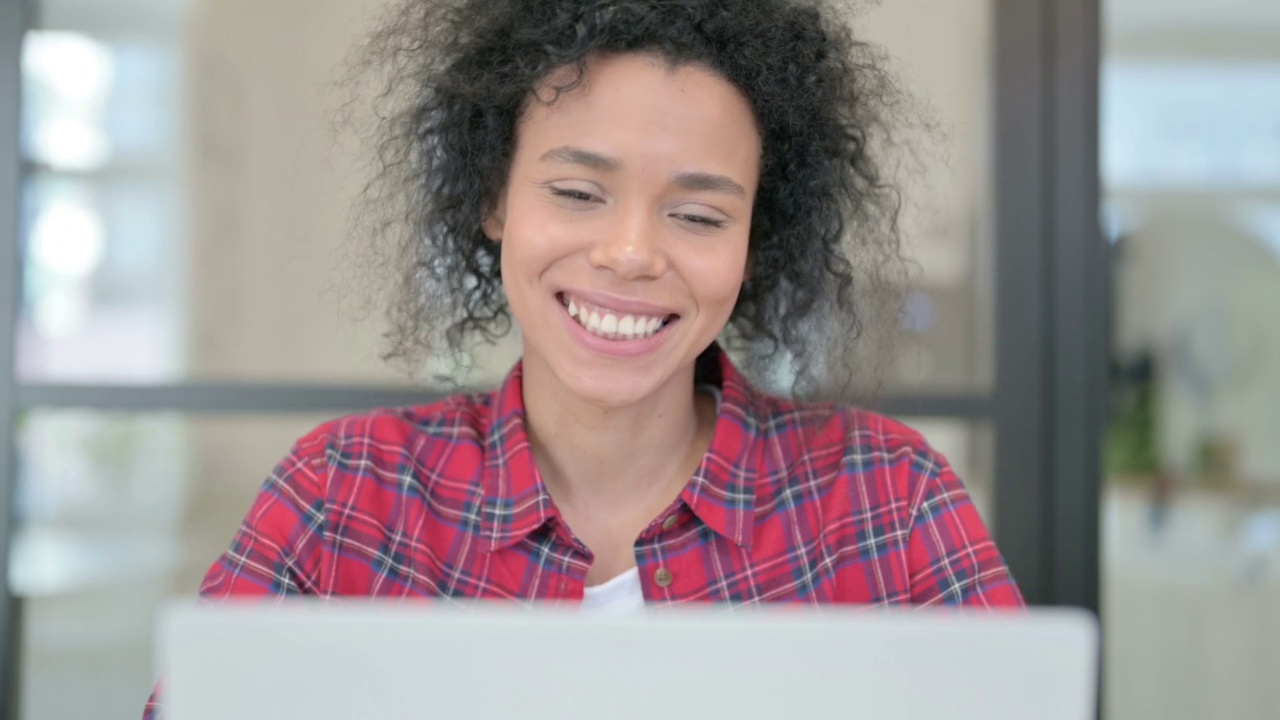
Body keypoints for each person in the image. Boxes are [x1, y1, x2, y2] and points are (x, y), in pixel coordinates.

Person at [144, 0, 1022, 715]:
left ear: (756, 243)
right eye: (576, 193)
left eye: (700, 215)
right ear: (495, 200)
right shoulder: (342, 497)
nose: (631, 252)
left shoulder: (892, 502)